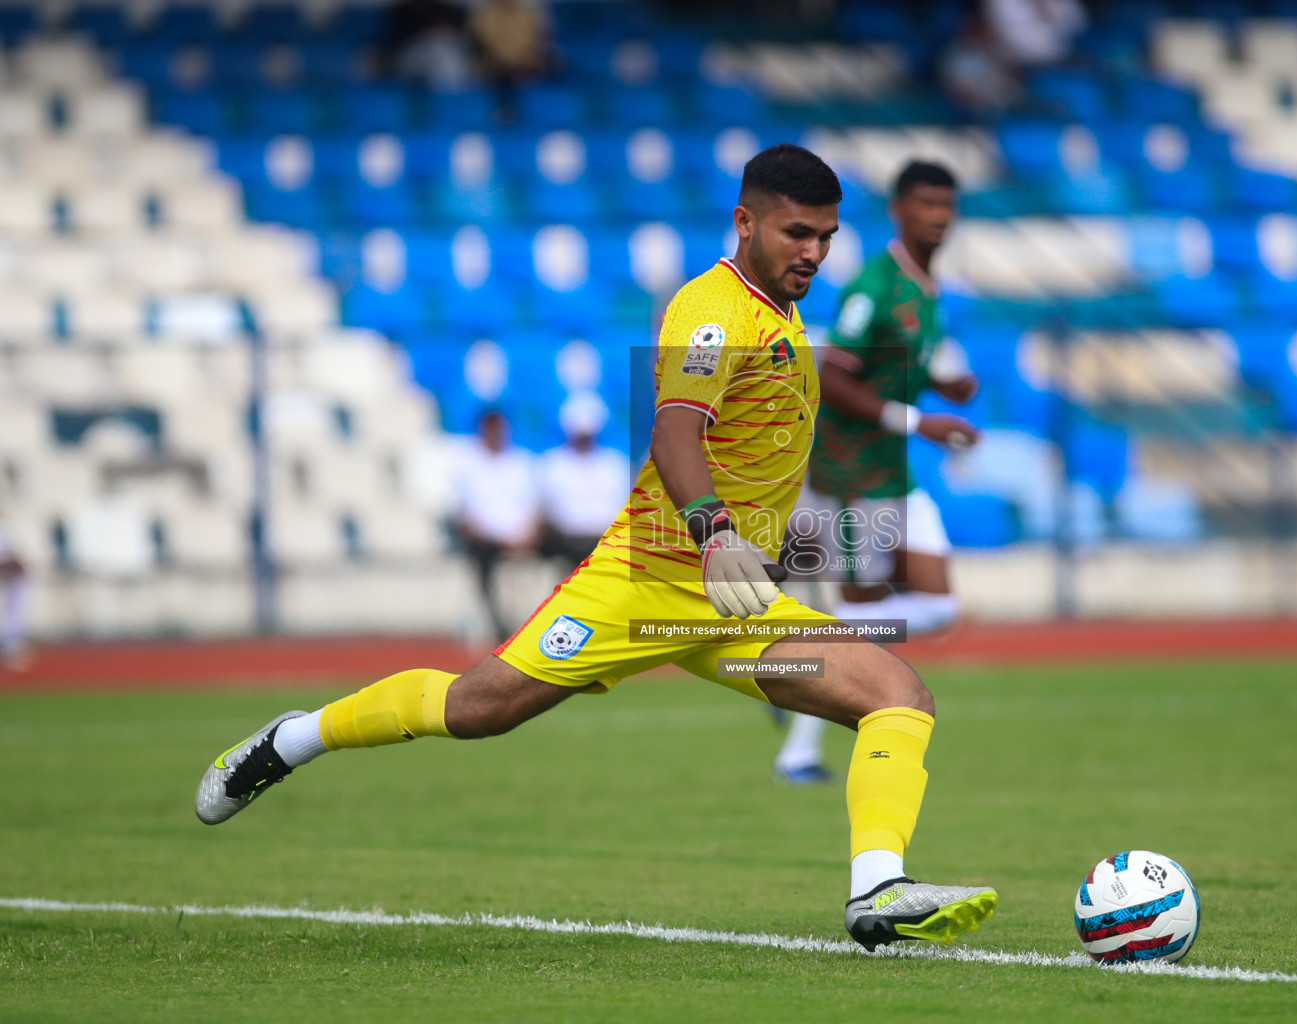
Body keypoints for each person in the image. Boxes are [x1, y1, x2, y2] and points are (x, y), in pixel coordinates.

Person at [194, 144, 997, 951]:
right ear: (745, 221)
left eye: (825, 236)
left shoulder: (782, 311)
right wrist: (716, 531)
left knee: (898, 696)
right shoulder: (712, 311)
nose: (814, 253)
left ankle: (877, 892)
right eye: (796, 234)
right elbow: (675, 428)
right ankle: (293, 738)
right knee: (478, 710)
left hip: (736, 614)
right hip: (643, 585)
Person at [772, 161, 981, 785]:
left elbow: (900, 357)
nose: (938, 215)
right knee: (902, 615)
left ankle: (804, 693)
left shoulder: (924, 284)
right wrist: (923, 420)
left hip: (891, 474)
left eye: (946, 203)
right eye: (925, 203)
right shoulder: (875, 283)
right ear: (898, 209)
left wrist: (945, 380)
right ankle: (800, 738)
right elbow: (833, 376)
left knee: (920, 611)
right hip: (852, 479)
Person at [451, 408, 541, 639]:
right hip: (485, 541)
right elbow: (465, 516)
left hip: (523, 540)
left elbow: (536, 507)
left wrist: (526, 537)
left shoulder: (522, 461)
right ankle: (496, 625)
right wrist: (499, 540)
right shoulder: (466, 464)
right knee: (482, 558)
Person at [536, 391, 631, 575]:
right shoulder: (551, 463)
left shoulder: (616, 463)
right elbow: (545, 513)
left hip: (606, 547)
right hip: (562, 547)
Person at [469, 0, 552, 84]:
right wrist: (509, 61)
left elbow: (533, 44)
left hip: (525, 62)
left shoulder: (527, 16)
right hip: (497, 64)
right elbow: (486, 46)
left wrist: (522, 59)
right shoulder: (482, 19)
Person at [0, 518, 29, 670]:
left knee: (14, 608)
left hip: (9, 575)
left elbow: (10, 554)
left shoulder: (3, 528)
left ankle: (11, 644)